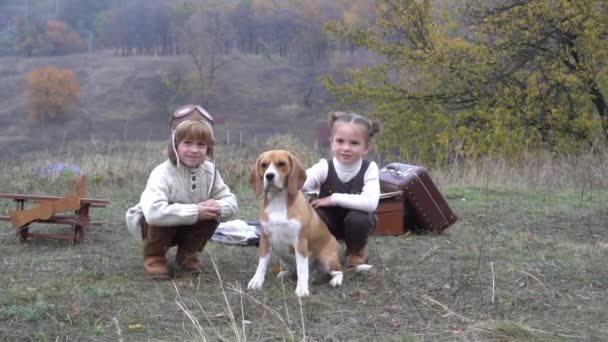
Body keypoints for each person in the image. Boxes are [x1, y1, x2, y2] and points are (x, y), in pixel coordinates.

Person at [125, 104, 238, 279]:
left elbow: (231, 202)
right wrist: (196, 211)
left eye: (201, 144)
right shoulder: (162, 173)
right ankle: (154, 257)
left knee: (211, 212)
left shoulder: (210, 171)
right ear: (175, 144)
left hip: (188, 227)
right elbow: (154, 212)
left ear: (208, 148)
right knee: (159, 219)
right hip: (156, 229)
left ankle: (187, 255)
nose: (194, 150)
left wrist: (218, 206)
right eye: (187, 143)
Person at [302, 111, 381, 269]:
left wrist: (332, 199)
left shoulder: (369, 168)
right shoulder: (324, 167)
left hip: (356, 225)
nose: (346, 148)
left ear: (366, 148)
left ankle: (356, 252)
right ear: (332, 143)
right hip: (328, 223)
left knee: (359, 217)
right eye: (340, 141)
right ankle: (324, 251)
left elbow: (371, 203)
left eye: (354, 143)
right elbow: (300, 183)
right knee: (315, 212)